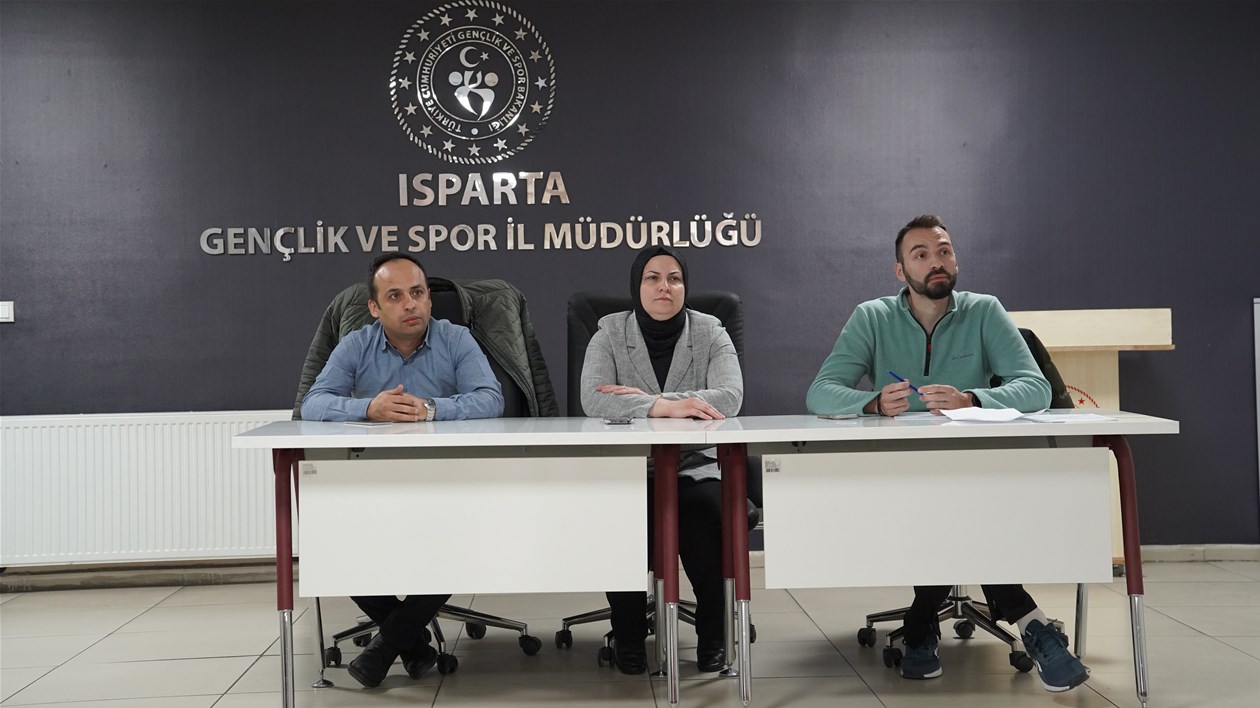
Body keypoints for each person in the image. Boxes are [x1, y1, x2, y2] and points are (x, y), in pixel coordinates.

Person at [805, 215, 1090, 692]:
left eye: (944, 251)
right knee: (945, 504)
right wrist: (872, 403)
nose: (936, 262)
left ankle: (921, 624)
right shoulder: (872, 316)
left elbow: (1035, 387)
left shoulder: (984, 310)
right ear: (901, 271)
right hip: (901, 470)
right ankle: (1030, 621)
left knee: (956, 502)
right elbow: (821, 392)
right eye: (921, 255)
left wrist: (973, 399)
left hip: (975, 466)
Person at [301, 253, 504, 688]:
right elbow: (313, 402)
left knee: (459, 542)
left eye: (417, 293)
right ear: (375, 308)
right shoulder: (356, 344)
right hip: (376, 480)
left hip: (449, 479)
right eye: (395, 296)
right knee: (334, 547)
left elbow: (491, 398)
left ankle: (389, 647)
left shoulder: (456, 338)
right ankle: (411, 645)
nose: (410, 304)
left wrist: (431, 408)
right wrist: (367, 408)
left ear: (429, 299)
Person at [580, 245, 743, 675]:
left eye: (674, 278)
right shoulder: (609, 332)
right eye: (652, 278)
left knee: (703, 518)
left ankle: (713, 635)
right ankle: (629, 635)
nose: (664, 287)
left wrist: (649, 401)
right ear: (637, 286)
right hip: (629, 469)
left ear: (685, 287)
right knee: (621, 521)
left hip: (693, 467)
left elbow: (730, 396)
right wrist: (666, 407)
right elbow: (593, 397)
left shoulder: (710, 331)